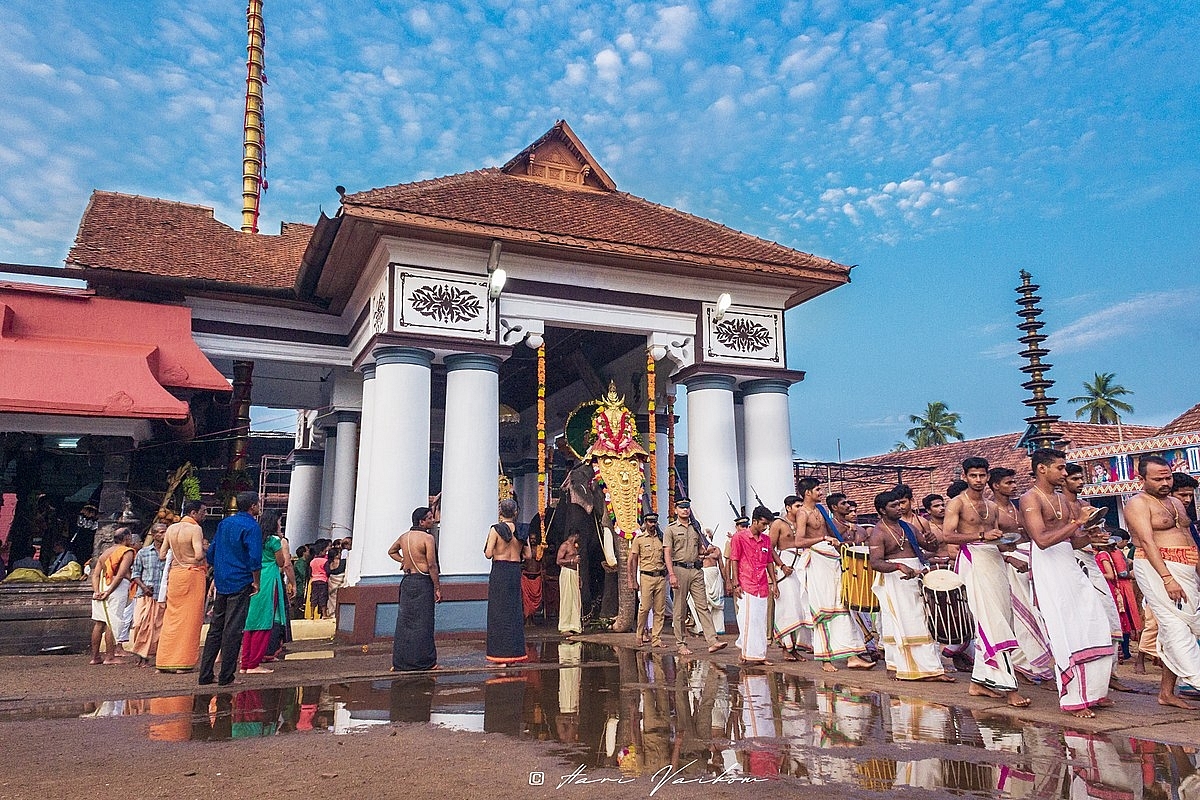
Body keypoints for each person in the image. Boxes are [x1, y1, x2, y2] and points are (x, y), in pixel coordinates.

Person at [1019, 448, 1115, 718]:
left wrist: (1091, 537)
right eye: (1060, 468)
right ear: (1042, 469)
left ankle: (1094, 691)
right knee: (1065, 628)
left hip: (1068, 561)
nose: (1064, 472)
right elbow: (1042, 539)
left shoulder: (1062, 499)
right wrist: (1077, 524)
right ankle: (1073, 698)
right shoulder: (1030, 498)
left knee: (1092, 620)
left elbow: (1073, 541)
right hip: (1048, 564)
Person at [943, 457, 1029, 707]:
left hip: (994, 560)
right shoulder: (956, 504)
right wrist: (981, 535)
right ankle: (1010, 688)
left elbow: (1000, 538)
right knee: (993, 623)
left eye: (982, 476)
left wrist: (1008, 547)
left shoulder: (992, 507)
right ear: (965, 477)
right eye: (973, 476)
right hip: (973, 560)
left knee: (1001, 619)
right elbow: (949, 535)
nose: (978, 480)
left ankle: (978, 682)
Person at [1123, 455, 1200, 709]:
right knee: (1176, 626)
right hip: (1158, 569)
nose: (1165, 482)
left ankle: (1166, 693)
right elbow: (1146, 541)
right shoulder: (1137, 504)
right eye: (1158, 479)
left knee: (1183, 626)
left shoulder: (1176, 503)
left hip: (1186, 568)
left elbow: (1188, 535)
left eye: (1167, 477)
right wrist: (1167, 578)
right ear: (1141, 478)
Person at [867, 490, 953, 682]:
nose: (899, 508)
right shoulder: (878, 533)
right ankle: (911, 668)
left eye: (900, 504)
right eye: (893, 506)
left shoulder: (907, 527)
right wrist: (898, 566)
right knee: (905, 623)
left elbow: (929, 548)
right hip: (895, 580)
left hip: (917, 575)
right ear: (882, 510)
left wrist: (931, 542)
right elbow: (876, 562)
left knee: (923, 620)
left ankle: (926, 668)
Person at [800, 479, 873, 672]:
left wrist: (845, 536)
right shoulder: (802, 513)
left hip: (832, 559)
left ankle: (852, 656)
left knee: (842, 606)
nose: (821, 492)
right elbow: (799, 540)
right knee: (824, 608)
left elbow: (835, 534)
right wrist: (823, 538)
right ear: (808, 493)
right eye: (817, 489)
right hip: (817, 561)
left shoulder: (822, 510)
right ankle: (825, 659)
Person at [990, 467, 1054, 685]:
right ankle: (1023, 664)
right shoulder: (991, 510)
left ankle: (1041, 663)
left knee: (1040, 611)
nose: (1014, 486)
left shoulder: (1019, 506)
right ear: (996, 485)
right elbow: (991, 542)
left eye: (1014, 482)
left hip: (1033, 558)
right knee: (1022, 613)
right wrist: (1010, 559)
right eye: (1008, 483)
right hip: (1011, 562)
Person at [199, 491, 264, 687]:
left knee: (215, 627)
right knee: (233, 629)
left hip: (222, 579)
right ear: (252, 506)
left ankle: (205, 674)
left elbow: (211, 552)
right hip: (241, 579)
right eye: (258, 504)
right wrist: (256, 581)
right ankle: (226, 676)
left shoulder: (225, 523)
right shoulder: (252, 526)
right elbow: (254, 558)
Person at [665, 499, 726, 656]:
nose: (685, 510)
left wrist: (706, 552)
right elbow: (667, 553)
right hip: (679, 569)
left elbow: (699, 550)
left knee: (703, 606)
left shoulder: (695, 528)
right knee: (680, 609)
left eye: (687, 507)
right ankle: (681, 644)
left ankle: (712, 641)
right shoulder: (671, 529)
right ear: (676, 509)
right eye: (681, 507)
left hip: (696, 569)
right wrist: (671, 574)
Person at [387, 506, 441, 671]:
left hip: (408, 581)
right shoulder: (427, 538)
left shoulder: (404, 537)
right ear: (421, 521)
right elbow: (431, 564)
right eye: (430, 518)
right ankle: (425, 662)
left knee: (405, 623)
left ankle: (401, 662)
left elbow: (391, 551)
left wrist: (403, 560)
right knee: (424, 623)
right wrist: (437, 587)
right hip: (422, 582)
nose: (433, 520)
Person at [157, 501, 208, 673]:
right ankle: (182, 663)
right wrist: (203, 552)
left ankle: (164, 662)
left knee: (172, 618)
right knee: (190, 620)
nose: (205, 515)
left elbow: (162, 555)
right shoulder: (195, 529)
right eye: (203, 512)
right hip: (192, 575)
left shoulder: (171, 529)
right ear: (193, 513)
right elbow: (199, 555)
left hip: (176, 575)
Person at [729, 506, 778, 666]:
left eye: (767, 525)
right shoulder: (739, 537)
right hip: (746, 583)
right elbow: (734, 559)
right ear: (755, 521)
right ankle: (747, 654)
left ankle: (757, 654)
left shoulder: (766, 540)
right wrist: (735, 582)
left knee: (760, 620)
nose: (765, 528)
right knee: (746, 619)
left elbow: (769, 561)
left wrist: (774, 583)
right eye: (763, 524)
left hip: (762, 584)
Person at [239, 510, 287, 674]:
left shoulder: (255, 538)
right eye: (279, 523)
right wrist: (280, 539)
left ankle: (245, 663)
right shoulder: (274, 540)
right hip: (268, 581)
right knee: (265, 621)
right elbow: (281, 562)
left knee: (250, 622)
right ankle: (254, 664)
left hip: (254, 578)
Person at [484, 498, 530, 664]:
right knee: (513, 612)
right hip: (514, 571)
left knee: (498, 614)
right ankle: (514, 655)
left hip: (500, 571)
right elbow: (529, 555)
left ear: (500, 512)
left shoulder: (495, 530)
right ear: (516, 512)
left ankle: (500, 657)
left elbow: (488, 553)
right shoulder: (522, 530)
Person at [88, 527, 135, 665]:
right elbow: (121, 574)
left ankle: (95, 657)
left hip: (102, 586)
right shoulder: (127, 552)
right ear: (126, 538)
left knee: (99, 622)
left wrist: (97, 591)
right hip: (115, 588)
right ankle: (110, 656)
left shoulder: (105, 553)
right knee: (112, 622)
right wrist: (108, 592)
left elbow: (95, 575)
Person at [770, 495, 807, 661]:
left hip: (801, 566)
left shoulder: (802, 524)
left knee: (800, 606)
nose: (800, 509)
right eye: (797, 506)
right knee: (787, 607)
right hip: (785, 566)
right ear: (788, 507)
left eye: (802, 505)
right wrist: (782, 566)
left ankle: (795, 648)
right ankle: (786, 647)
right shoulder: (778, 524)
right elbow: (769, 549)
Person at [1095, 529, 1140, 662]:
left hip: (1118, 587)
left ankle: (1123, 652)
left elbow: (1121, 572)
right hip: (1117, 586)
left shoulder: (1109, 554)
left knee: (1122, 618)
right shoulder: (1112, 553)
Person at [129, 523, 168, 665]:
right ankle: (140, 654)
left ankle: (149, 656)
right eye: (161, 532)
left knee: (157, 627)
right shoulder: (143, 552)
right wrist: (144, 587)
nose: (163, 535)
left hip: (162, 595)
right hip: (144, 594)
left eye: (165, 532)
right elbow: (135, 574)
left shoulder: (170, 553)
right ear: (153, 534)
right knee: (139, 623)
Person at [628, 513, 668, 648]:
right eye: (650, 522)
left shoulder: (662, 538)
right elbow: (633, 560)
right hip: (646, 576)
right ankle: (639, 635)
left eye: (654, 522)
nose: (652, 524)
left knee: (659, 610)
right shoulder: (639, 539)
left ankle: (656, 638)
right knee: (644, 608)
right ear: (645, 522)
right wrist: (633, 579)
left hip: (660, 577)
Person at [690, 526, 727, 636]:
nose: (707, 538)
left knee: (718, 604)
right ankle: (702, 628)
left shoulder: (717, 549)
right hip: (703, 575)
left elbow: (722, 566)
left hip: (715, 578)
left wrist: (727, 581)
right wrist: (705, 554)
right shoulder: (698, 550)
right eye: (705, 536)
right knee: (704, 602)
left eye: (709, 536)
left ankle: (718, 628)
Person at [557, 531, 582, 636]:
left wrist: (579, 576)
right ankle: (564, 627)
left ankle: (574, 625)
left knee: (576, 600)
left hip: (574, 573)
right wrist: (572, 561)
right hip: (566, 573)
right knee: (567, 599)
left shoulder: (575, 546)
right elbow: (558, 561)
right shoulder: (565, 545)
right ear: (575, 535)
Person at [307, 541, 330, 619]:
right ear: (321, 552)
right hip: (323, 581)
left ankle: (311, 615)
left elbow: (309, 572)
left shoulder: (312, 561)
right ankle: (324, 614)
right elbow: (328, 571)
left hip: (314, 580)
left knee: (314, 597)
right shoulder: (325, 561)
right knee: (323, 597)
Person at [326, 537, 347, 618]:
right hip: (339, 582)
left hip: (331, 583)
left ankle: (332, 614)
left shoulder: (328, 564)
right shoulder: (342, 562)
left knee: (332, 600)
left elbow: (327, 573)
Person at [291, 544, 311, 619]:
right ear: (304, 553)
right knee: (299, 604)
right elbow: (303, 574)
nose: (309, 552)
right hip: (300, 587)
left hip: (301, 587)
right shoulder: (301, 563)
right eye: (307, 551)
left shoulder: (302, 562)